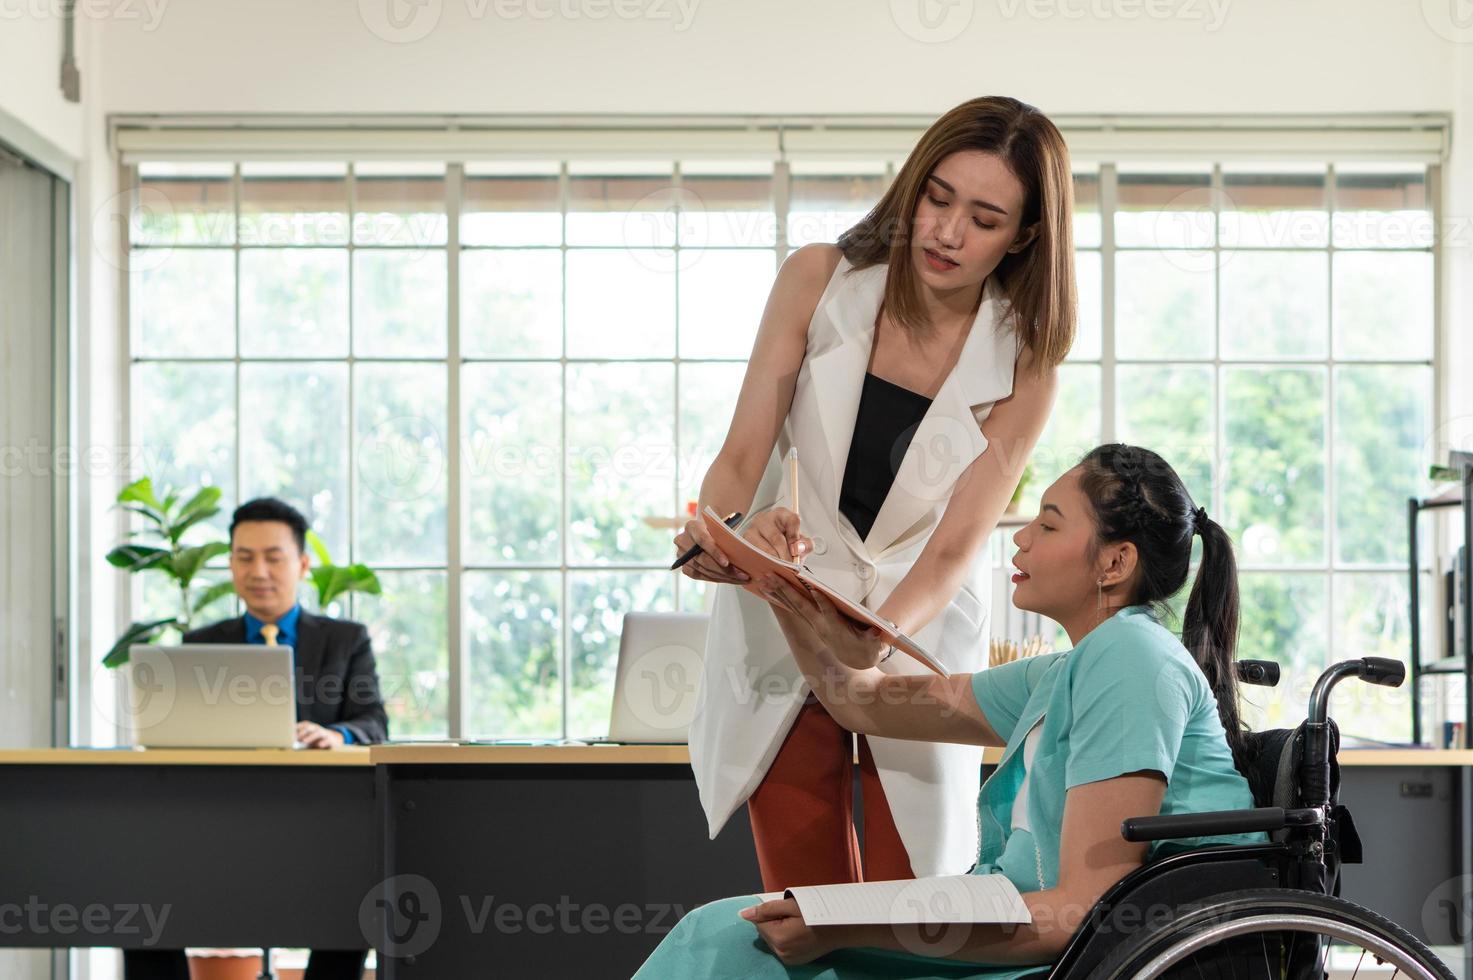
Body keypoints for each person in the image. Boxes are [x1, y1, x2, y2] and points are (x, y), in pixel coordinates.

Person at [636, 444, 1264, 978]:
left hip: (1109, 951)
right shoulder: (1065, 672)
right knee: (726, 935)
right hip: (1033, 927)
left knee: (730, 942)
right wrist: (778, 589)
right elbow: (865, 701)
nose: (1020, 537)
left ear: (1114, 562)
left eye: (1047, 525)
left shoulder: (1129, 659)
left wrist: (846, 928)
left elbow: (1079, 913)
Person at [676, 95, 1075, 891]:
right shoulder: (818, 279)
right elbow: (741, 456)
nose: (947, 232)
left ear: (1025, 236)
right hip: (782, 629)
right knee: (802, 906)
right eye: (936, 197)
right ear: (911, 187)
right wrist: (724, 533)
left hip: (912, 636)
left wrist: (876, 634)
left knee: (914, 908)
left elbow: (957, 545)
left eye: (985, 218)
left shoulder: (1026, 364)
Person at [122, 496, 385, 980]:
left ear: (303, 564)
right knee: (141, 897)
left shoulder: (344, 640)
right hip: (219, 821)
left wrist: (336, 734)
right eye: (244, 557)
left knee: (355, 892)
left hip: (317, 823)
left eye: (273, 556)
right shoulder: (201, 644)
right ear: (230, 563)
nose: (258, 570)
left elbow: (374, 722)